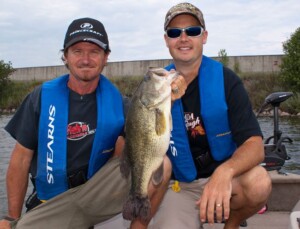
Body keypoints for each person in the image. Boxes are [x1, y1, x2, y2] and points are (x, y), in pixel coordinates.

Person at [0, 17, 184, 229]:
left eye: (94, 52)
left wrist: (168, 102)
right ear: (65, 56)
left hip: (96, 195)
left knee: (163, 166)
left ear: (106, 57)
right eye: (77, 51)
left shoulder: (123, 106)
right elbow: (20, 161)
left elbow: (135, 150)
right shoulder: (39, 98)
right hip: (52, 202)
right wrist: (11, 217)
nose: (85, 59)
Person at [150, 2, 272, 229]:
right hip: (180, 184)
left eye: (192, 31)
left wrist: (225, 172)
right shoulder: (153, 87)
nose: (183, 38)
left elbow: (255, 145)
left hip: (226, 179)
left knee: (259, 182)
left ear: (204, 36)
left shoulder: (227, 80)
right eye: (175, 33)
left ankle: (232, 224)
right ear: (167, 40)